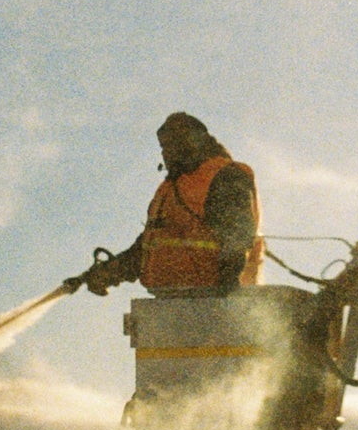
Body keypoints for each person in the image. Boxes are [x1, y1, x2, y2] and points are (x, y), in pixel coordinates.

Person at [82, 113, 263, 295]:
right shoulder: (171, 188)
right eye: (163, 146)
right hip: (170, 300)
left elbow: (237, 235)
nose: (165, 152)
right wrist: (108, 272)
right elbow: (148, 247)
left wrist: (226, 292)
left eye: (172, 143)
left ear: (194, 141)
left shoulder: (223, 176)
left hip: (211, 298)